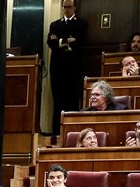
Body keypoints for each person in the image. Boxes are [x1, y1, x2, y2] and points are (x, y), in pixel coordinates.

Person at [47, 0, 86, 136]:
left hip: (74, 69)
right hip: (57, 69)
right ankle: (56, 132)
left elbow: (80, 42)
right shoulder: (55, 25)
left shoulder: (81, 23)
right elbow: (50, 42)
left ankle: (72, 132)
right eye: (64, 7)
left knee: (73, 100)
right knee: (58, 101)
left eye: (69, 7)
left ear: (74, 7)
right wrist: (67, 41)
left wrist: (59, 41)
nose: (66, 9)